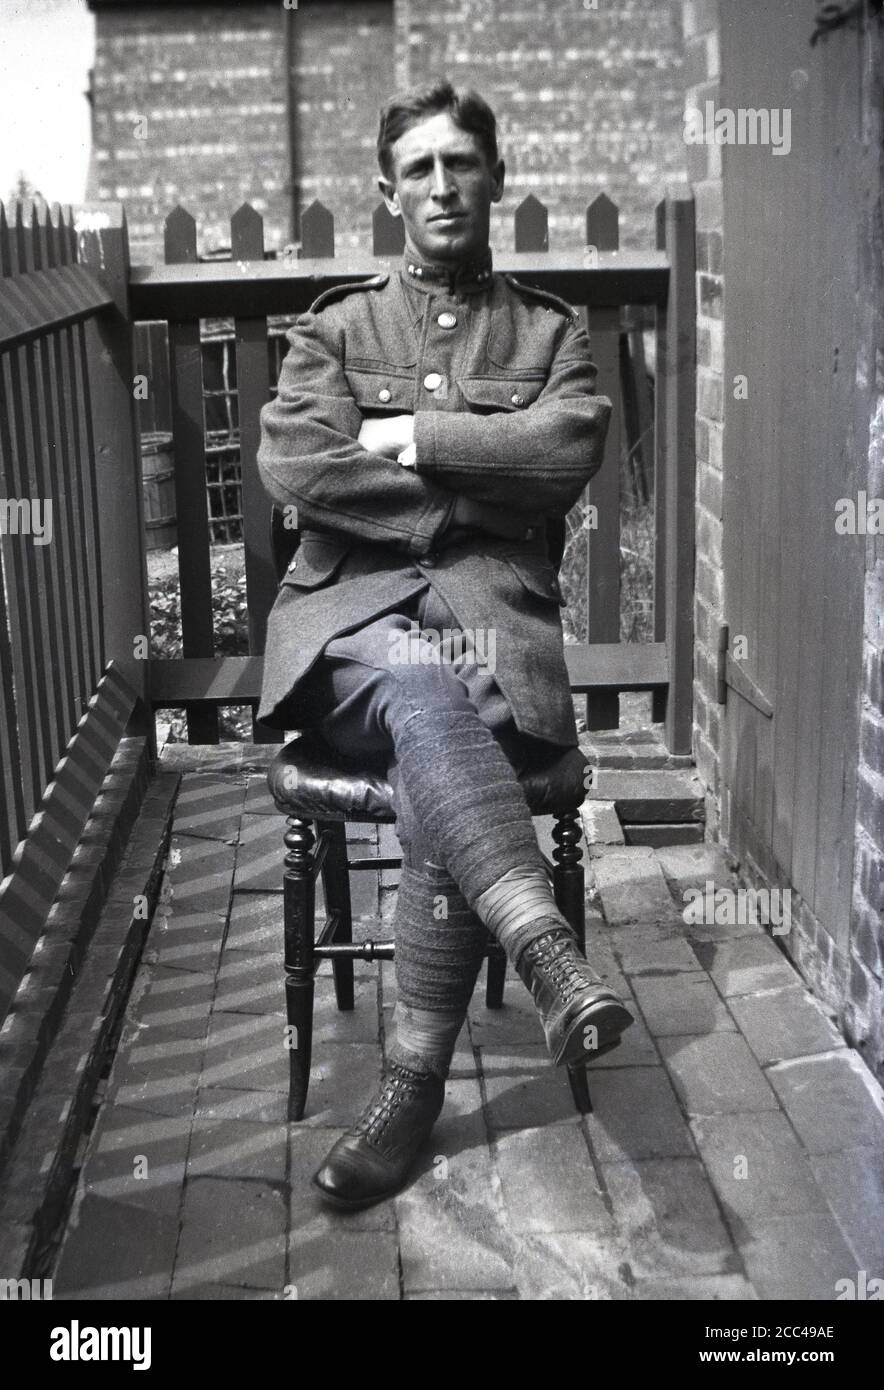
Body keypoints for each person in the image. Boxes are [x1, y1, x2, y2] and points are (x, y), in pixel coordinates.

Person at [256, 79, 634, 1210]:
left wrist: (408, 436)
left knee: (440, 719)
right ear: (387, 193)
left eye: (458, 163)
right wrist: (468, 501)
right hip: (344, 630)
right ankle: (543, 947)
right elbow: (297, 466)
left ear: (495, 179)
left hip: (491, 642)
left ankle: (408, 1087)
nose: (439, 185)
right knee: (428, 689)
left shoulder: (552, 330)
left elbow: (563, 447)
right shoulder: (333, 327)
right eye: (416, 168)